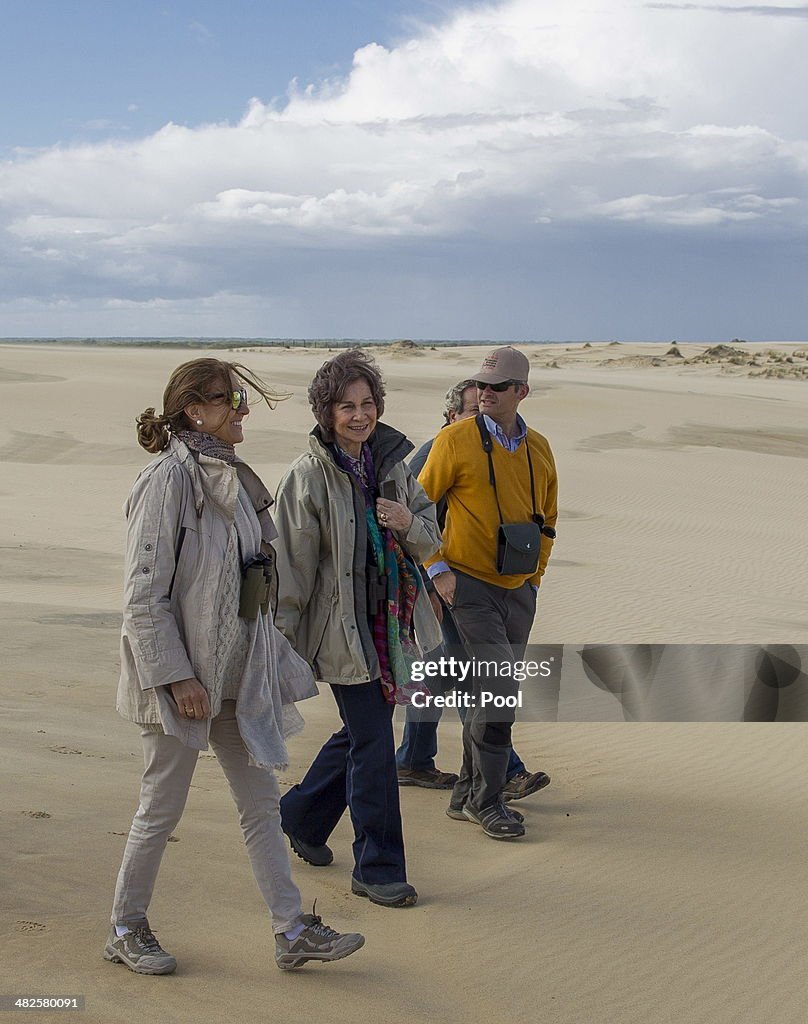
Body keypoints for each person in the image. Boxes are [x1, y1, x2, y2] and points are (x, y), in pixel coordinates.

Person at [106, 357, 364, 975]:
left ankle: (291, 929)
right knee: (159, 809)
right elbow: (143, 594)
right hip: (179, 684)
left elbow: (250, 585)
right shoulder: (167, 481)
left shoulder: (229, 476)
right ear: (196, 409)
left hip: (234, 680)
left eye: (243, 399)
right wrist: (175, 677)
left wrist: (264, 654)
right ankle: (125, 927)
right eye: (231, 400)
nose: (243, 410)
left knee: (260, 805)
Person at [272, 349, 442, 908]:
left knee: (361, 733)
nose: (359, 415)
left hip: (389, 626)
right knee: (373, 740)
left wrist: (406, 521)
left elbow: (429, 530)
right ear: (325, 411)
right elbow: (290, 569)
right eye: (346, 405)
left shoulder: (391, 463)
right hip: (340, 629)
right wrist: (283, 648)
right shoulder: (306, 477)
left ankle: (300, 814)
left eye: (367, 403)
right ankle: (378, 866)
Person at [418, 347, 558, 840]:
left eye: (498, 387)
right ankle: (488, 802)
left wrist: (535, 578)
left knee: (485, 691)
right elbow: (416, 510)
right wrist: (438, 572)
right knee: (500, 692)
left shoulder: (538, 446)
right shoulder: (454, 440)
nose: (485, 393)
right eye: (481, 385)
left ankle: (464, 796)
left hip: (519, 589)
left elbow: (549, 517)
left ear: (522, 392)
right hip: (468, 586)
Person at [396, 380, 548, 801]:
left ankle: (413, 758)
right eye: (471, 412)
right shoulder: (438, 450)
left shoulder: (497, 450)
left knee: (450, 673)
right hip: (442, 585)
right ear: (450, 416)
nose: (481, 420)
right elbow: (409, 522)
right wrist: (430, 583)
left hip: (468, 585)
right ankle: (502, 773)